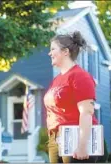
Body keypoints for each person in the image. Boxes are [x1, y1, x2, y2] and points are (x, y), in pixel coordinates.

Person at [43, 31, 99, 163]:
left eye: (52, 49)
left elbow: (87, 112)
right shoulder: (57, 80)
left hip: (75, 137)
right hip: (55, 138)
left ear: (65, 52)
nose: (49, 53)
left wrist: (82, 145)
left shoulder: (80, 76)